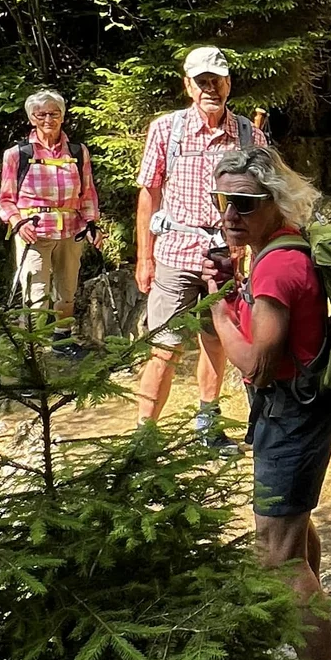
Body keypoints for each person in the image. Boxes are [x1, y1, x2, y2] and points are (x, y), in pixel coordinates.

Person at [208, 147, 331, 660]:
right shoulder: (280, 249)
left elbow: (258, 364)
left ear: (274, 201)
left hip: (290, 412)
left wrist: (217, 311)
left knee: (278, 556)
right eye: (224, 201)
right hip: (301, 409)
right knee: (295, 531)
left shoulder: (278, 266)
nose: (230, 215)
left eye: (244, 203)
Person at [133, 45, 265, 438]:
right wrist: (144, 257)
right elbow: (149, 193)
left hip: (227, 257)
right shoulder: (166, 129)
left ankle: (208, 423)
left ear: (229, 84)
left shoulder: (247, 133)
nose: (211, 89)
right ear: (188, 86)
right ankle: (145, 435)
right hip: (174, 253)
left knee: (217, 340)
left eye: (218, 81)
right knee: (164, 347)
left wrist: (257, 252)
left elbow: (262, 196)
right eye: (202, 81)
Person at [0, 89, 100, 359]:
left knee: (67, 289)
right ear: (31, 118)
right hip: (34, 233)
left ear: (62, 117)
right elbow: (5, 200)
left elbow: (87, 193)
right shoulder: (17, 154)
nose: (48, 119)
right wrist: (18, 223)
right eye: (40, 114)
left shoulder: (78, 152)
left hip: (71, 230)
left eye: (54, 113)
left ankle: (62, 340)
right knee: (36, 294)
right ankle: (30, 353)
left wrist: (92, 224)